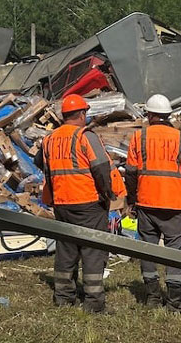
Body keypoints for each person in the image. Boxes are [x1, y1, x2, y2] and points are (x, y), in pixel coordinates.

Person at [34, 94, 114, 312]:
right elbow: (101, 168)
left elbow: (39, 161)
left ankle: (63, 296)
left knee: (66, 249)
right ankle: (94, 302)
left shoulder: (50, 138)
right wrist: (107, 193)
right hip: (88, 202)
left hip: (61, 202)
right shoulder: (85, 136)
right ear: (81, 114)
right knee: (93, 251)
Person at [125, 93, 181, 313]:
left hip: (146, 203)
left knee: (148, 251)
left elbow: (130, 173)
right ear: (167, 115)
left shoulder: (139, 138)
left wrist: (132, 200)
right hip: (175, 205)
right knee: (175, 253)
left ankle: (152, 297)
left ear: (149, 114)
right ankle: (175, 302)